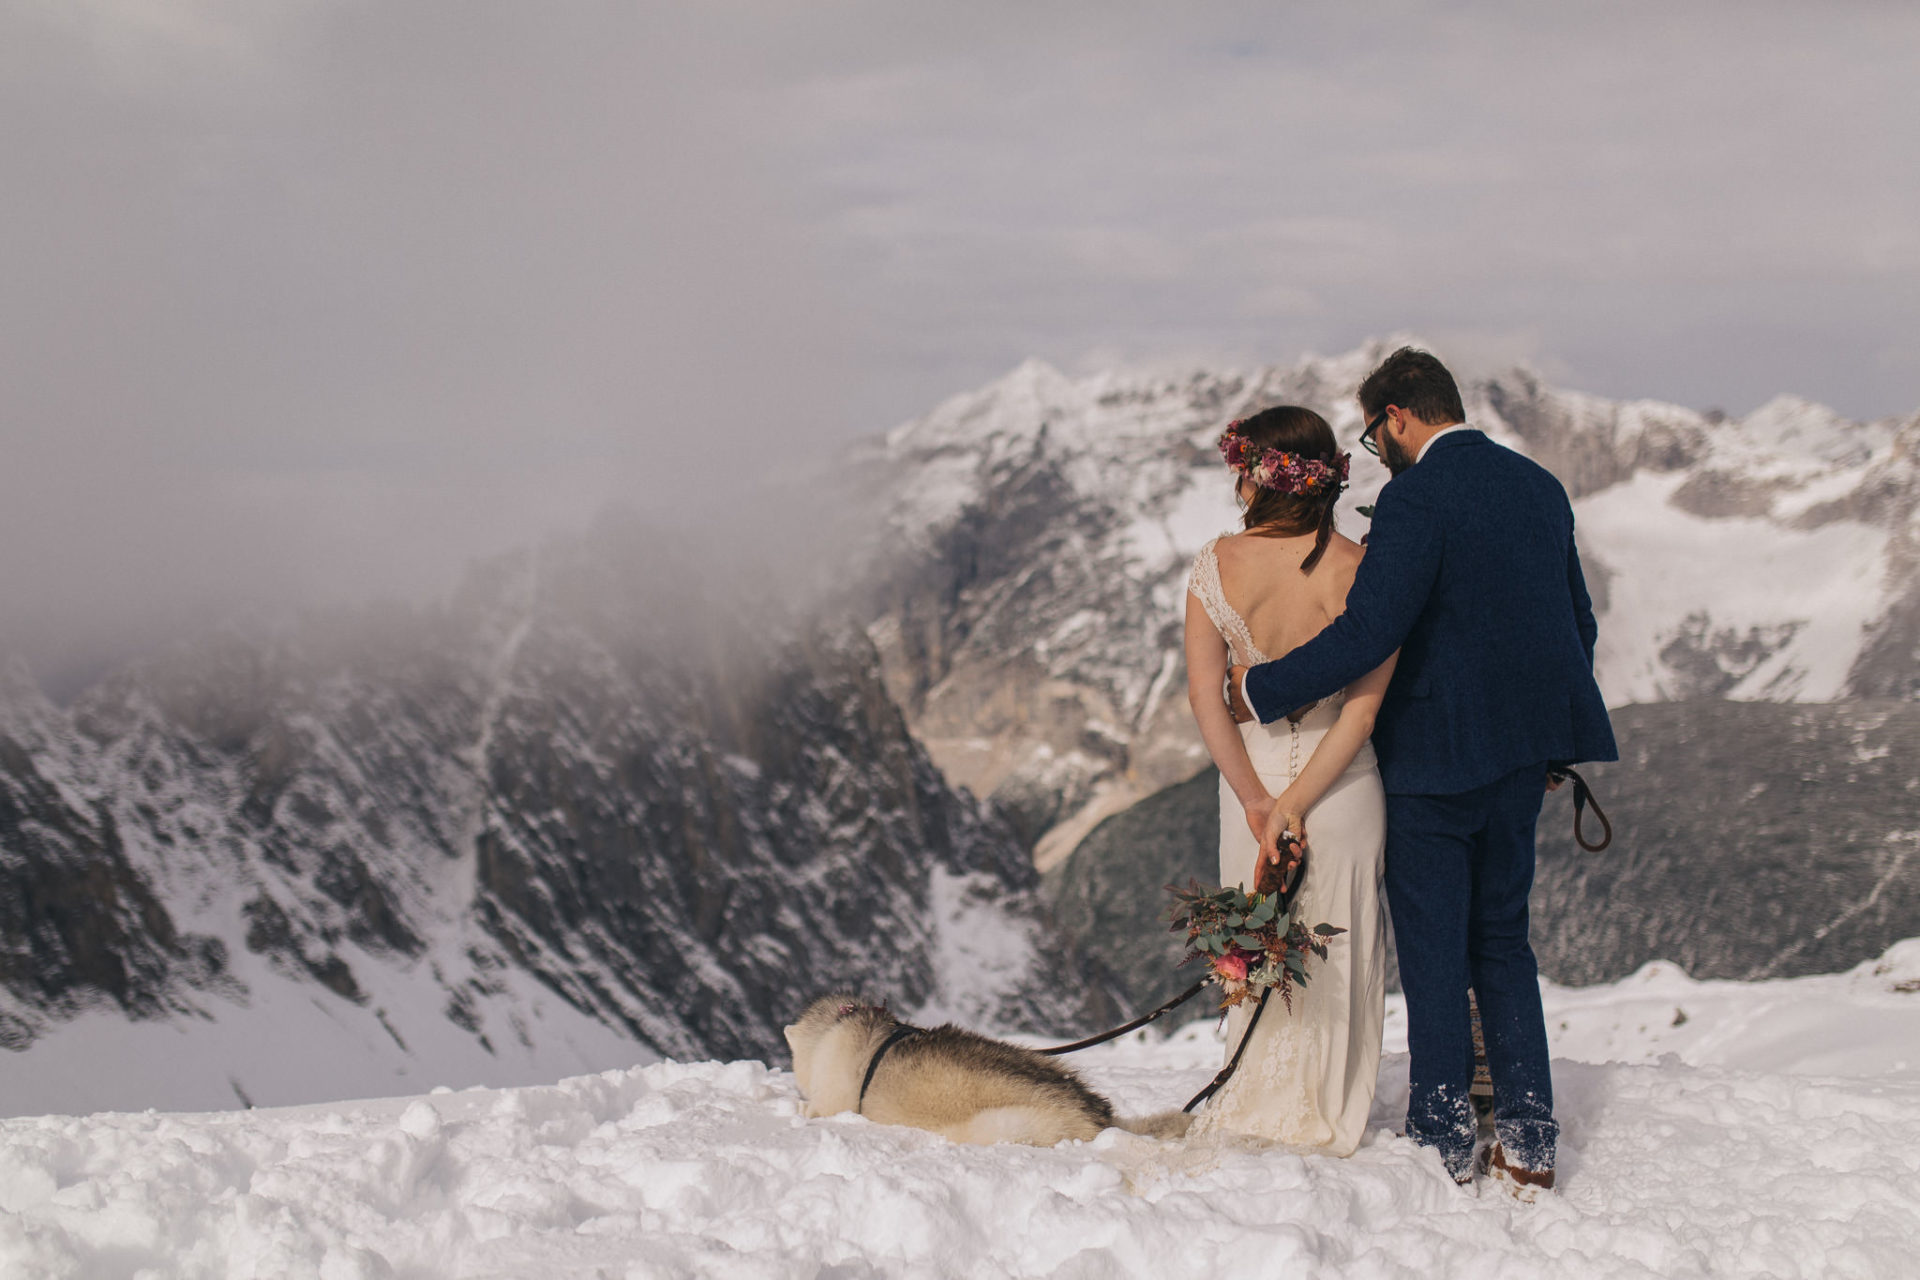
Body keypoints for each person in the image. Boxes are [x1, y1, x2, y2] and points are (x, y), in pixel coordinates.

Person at [1226, 347, 1617, 1198]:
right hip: (1521, 763)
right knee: (1504, 943)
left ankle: (1444, 1139)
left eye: (1374, 437)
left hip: (1433, 763)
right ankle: (1530, 1139)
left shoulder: (1415, 500)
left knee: (1438, 952)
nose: (1377, 452)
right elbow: (1575, 626)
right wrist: (1549, 744)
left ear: (1398, 416)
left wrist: (1260, 689)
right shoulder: (1539, 487)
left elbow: (1369, 632)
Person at [1182, 405, 1392, 1156]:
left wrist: (1256, 801)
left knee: (1258, 940)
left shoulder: (1216, 563)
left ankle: (1257, 1098)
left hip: (1253, 781)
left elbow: (1209, 696)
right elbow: (1363, 715)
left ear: (1256, 476)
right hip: (1344, 788)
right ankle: (1328, 1109)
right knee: (1339, 948)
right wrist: (1299, 805)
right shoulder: (1363, 570)